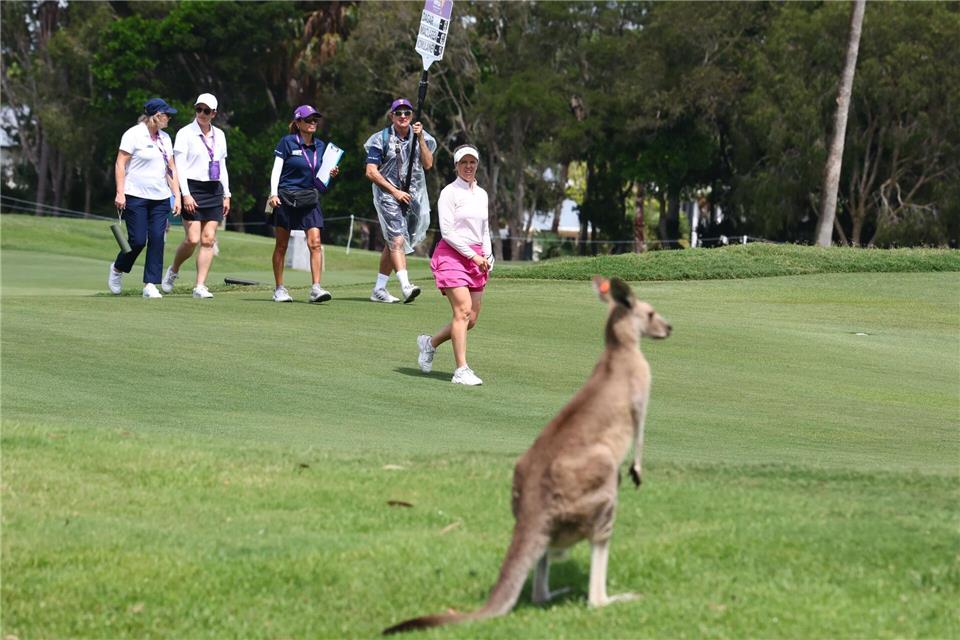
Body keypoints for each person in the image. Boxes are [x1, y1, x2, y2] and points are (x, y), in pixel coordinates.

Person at [416, 145, 493, 386]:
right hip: (452, 255)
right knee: (462, 311)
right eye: (463, 163)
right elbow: (448, 232)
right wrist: (473, 256)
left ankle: (430, 343)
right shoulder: (449, 192)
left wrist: (488, 256)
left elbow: (485, 228)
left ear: (477, 164)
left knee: (471, 319)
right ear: (456, 166)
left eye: (472, 162)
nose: (468, 166)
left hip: (477, 257)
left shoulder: (482, 194)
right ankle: (461, 370)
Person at [363, 97, 436, 304]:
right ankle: (406, 286)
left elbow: (428, 164)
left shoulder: (418, 135)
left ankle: (379, 289)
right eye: (398, 113)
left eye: (407, 113)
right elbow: (371, 172)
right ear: (391, 116)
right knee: (396, 239)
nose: (403, 116)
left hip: (411, 195)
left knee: (392, 240)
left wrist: (420, 138)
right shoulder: (380, 139)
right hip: (388, 195)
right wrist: (394, 191)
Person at [108, 98, 181, 298]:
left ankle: (150, 284)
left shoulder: (166, 138)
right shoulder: (133, 135)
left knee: (158, 239)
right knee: (138, 240)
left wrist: (177, 195)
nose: (169, 118)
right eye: (166, 115)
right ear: (155, 116)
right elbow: (120, 164)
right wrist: (120, 192)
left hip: (160, 197)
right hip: (135, 195)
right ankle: (117, 268)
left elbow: (171, 168)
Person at [266, 105, 339, 303]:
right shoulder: (287, 142)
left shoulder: (322, 146)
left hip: (309, 198)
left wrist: (329, 175)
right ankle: (279, 288)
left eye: (315, 120)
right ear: (298, 123)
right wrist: (273, 193)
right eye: (308, 120)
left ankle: (316, 288)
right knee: (281, 245)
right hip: (286, 197)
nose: (313, 123)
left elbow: (320, 177)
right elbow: (276, 169)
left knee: (315, 243)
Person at [162, 93, 231, 299]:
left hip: (213, 189)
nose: (202, 114)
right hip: (191, 188)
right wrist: (185, 195)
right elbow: (179, 168)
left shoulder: (220, 135)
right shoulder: (185, 133)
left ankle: (200, 285)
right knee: (192, 239)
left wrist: (227, 193)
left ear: (214, 113)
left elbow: (223, 166)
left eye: (206, 111)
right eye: (199, 109)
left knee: (208, 239)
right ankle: (173, 270)